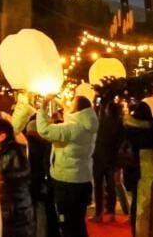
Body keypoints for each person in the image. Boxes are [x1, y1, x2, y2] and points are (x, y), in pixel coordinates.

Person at [34, 95, 99, 237]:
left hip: (67, 183)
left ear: (77, 110)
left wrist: (43, 107)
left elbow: (44, 130)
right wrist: (60, 101)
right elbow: (71, 114)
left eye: (72, 104)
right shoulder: (89, 125)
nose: (69, 105)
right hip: (83, 180)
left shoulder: (71, 129)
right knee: (78, 222)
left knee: (67, 223)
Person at [119, 102, 152, 236]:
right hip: (147, 169)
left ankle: (136, 231)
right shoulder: (151, 130)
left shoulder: (128, 129)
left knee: (135, 203)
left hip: (131, 169)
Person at [90, 100, 123, 223]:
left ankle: (98, 213)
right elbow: (120, 142)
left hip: (99, 158)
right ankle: (111, 213)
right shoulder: (119, 123)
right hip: (112, 159)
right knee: (111, 187)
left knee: (98, 186)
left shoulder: (101, 122)